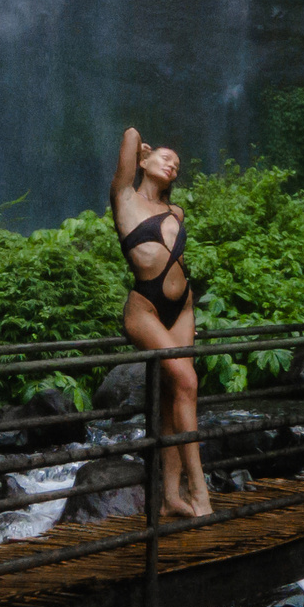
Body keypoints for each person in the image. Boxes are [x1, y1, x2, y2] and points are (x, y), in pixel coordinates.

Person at [112, 125, 211, 519]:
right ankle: (200, 492)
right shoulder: (124, 197)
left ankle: (171, 497)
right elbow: (130, 133)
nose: (173, 165)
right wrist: (138, 146)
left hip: (182, 310)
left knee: (174, 396)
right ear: (144, 160)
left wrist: (189, 310)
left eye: (177, 165)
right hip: (145, 310)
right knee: (187, 381)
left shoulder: (176, 212)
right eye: (166, 158)